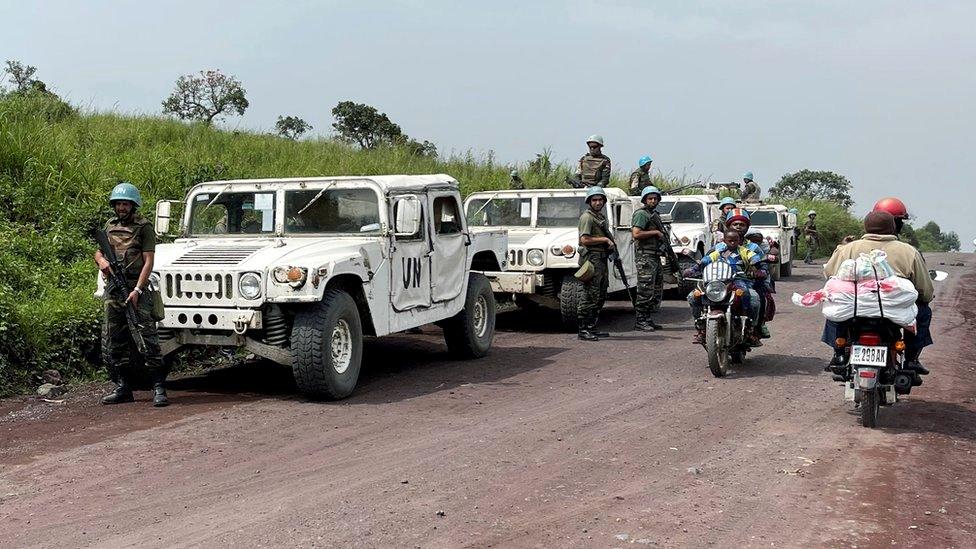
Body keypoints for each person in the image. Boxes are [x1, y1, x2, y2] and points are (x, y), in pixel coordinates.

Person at [821, 211, 934, 375]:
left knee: (834, 308)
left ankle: (838, 354)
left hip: (855, 308)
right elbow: (924, 288)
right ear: (893, 227)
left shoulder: (848, 249)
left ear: (866, 227)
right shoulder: (909, 252)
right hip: (892, 310)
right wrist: (925, 298)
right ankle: (911, 359)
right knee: (923, 312)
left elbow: (830, 273)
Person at [94, 182, 169, 407]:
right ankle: (123, 387)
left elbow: (149, 262)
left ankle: (158, 387)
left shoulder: (144, 227)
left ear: (133, 205)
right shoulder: (110, 225)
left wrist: (137, 289)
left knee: (147, 339)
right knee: (114, 340)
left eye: (125, 204)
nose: (121, 208)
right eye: (118, 204)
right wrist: (102, 262)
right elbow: (98, 251)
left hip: (136, 289)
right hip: (114, 289)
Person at [685, 230, 767, 344]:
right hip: (717, 282)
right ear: (724, 241)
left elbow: (754, 258)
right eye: (730, 240)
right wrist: (692, 270)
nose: (733, 243)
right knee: (693, 297)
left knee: (753, 298)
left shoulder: (744, 251)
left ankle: (750, 328)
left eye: (735, 240)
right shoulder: (718, 252)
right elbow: (705, 261)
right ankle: (701, 328)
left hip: (738, 281)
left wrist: (757, 265)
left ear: (740, 241)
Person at [577, 186, 614, 341]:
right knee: (589, 295)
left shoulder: (598, 216)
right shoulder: (588, 217)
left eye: (600, 200)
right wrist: (605, 240)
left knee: (599, 294)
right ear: (589, 201)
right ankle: (583, 329)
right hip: (592, 260)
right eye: (594, 200)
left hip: (601, 259)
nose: (598, 202)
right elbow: (584, 239)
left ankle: (592, 327)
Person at [631, 185, 666, 331]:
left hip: (654, 256)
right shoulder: (642, 214)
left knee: (655, 289)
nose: (653, 201)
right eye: (650, 198)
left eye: (655, 198)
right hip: (645, 256)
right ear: (645, 200)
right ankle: (640, 320)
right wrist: (655, 233)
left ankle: (647, 318)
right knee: (645, 289)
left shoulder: (653, 214)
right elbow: (636, 234)